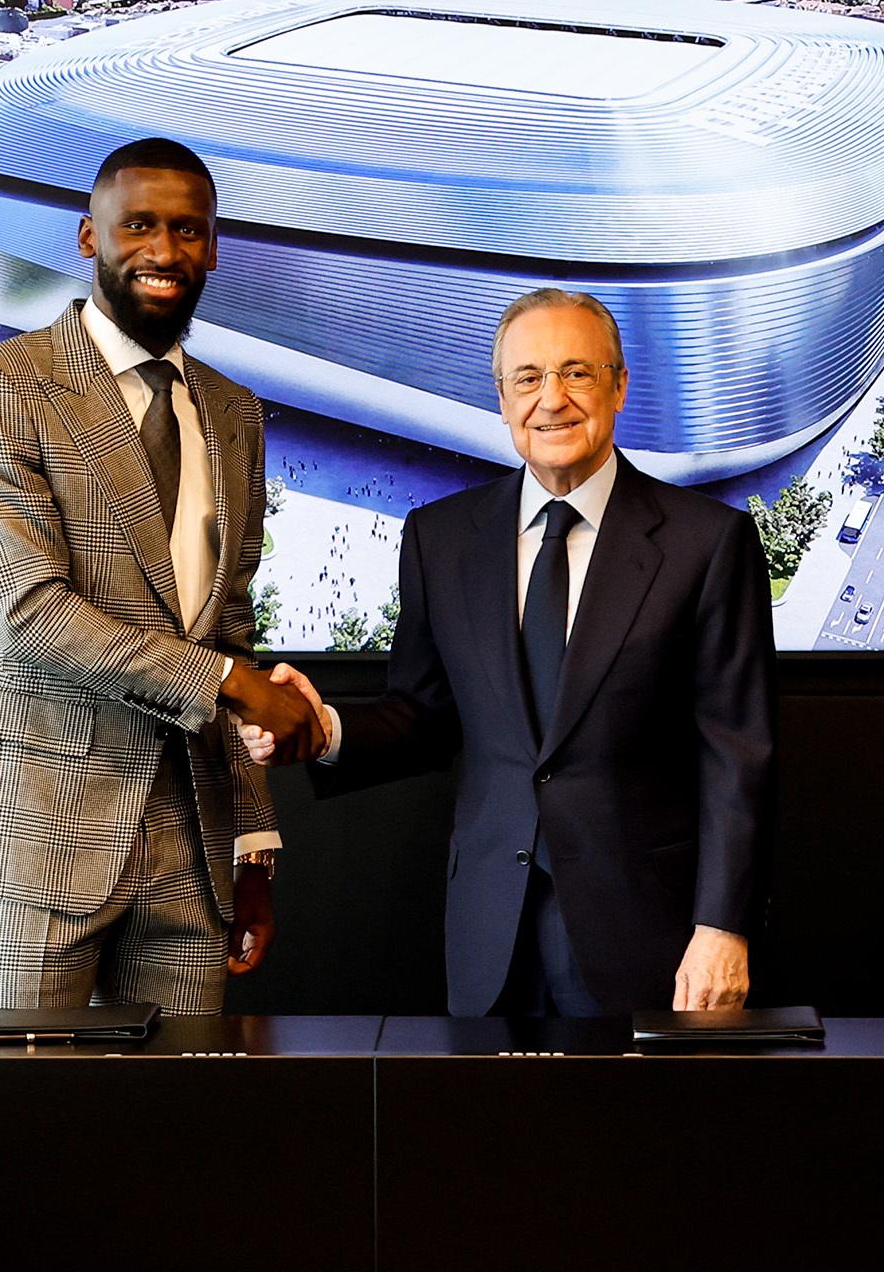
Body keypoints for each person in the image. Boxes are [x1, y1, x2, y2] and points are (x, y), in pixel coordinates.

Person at [241, 289, 776, 1017]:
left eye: (577, 373)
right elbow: (424, 716)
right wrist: (326, 727)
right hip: (489, 932)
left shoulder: (705, 544)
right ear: (500, 398)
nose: (551, 399)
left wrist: (723, 926)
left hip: (653, 938)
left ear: (620, 386)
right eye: (527, 378)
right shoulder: (441, 537)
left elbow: (737, 754)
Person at [0, 138, 323, 1014]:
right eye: (140, 225)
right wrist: (233, 682)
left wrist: (253, 848)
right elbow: (33, 614)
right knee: (24, 1131)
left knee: (171, 1140)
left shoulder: (234, 413)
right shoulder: (2, 386)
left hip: (195, 858)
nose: (164, 251)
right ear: (89, 237)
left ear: (213, 248)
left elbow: (231, 631)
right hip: (37, 842)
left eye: (188, 230)